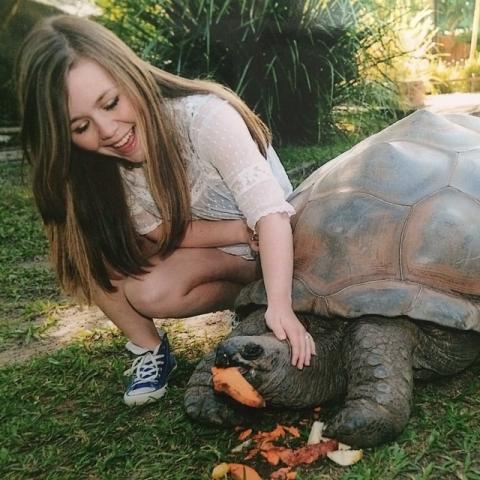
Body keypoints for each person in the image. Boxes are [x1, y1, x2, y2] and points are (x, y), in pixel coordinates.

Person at [16, 14, 316, 406]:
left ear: (131, 75)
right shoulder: (104, 165)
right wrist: (240, 232)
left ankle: (259, 303)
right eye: (81, 127)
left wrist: (281, 306)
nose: (107, 130)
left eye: (110, 103)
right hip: (228, 242)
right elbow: (159, 230)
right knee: (92, 248)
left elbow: (272, 216)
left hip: (276, 245)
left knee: (151, 288)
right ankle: (149, 349)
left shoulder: (206, 118)